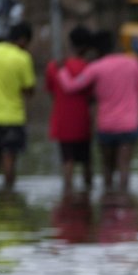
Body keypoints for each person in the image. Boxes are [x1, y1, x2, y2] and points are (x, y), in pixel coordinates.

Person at [56, 30, 138, 194]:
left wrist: (61, 70)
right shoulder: (133, 63)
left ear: (98, 50)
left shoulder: (96, 68)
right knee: (124, 168)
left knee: (107, 169)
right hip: (129, 126)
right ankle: (123, 204)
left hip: (106, 126)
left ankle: (108, 206)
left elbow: (71, 86)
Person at [0, 21, 36, 191]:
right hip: (12, 117)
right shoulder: (23, 58)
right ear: (22, 40)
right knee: (9, 159)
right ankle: (9, 196)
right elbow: (29, 90)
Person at [45, 25, 95, 194]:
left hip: (62, 122)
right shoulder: (89, 68)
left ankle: (67, 194)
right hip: (83, 123)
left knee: (67, 160)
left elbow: (51, 92)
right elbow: (92, 97)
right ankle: (87, 195)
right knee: (87, 161)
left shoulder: (54, 67)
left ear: (70, 43)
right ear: (87, 47)